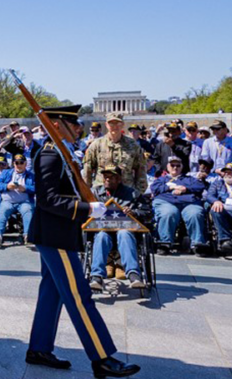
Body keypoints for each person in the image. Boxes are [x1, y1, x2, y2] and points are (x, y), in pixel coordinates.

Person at [24, 106, 139, 377]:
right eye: (72, 123)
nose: (79, 128)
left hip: (58, 233)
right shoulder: (51, 154)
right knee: (79, 295)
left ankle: (39, 348)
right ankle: (102, 357)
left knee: (52, 292)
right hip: (55, 236)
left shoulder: (62, 152)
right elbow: (48, 200)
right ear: (56, 124)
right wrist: (88, 209)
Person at [88, 167, 149, 291]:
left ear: (119, 179)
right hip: (103, 230)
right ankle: (96, 276)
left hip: (126, 231)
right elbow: (84, 211)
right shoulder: (94, 193)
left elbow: (147, 212)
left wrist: (134, 212)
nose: (107, 179)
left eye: (112, 177)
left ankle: (133, 274)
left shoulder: (132, 194)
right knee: (101, 235)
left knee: (124, 233)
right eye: (106, 176)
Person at [150, 156, 209, 254]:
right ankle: (165, 242)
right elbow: (154, 188)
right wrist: (170, 188)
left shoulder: (190, 179)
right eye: (172, 165)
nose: (175, 167)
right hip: (166, 202)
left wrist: (185, 189)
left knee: (195, 213)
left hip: (189, 203)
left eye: (178, 165)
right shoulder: (162, 179)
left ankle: (197, 243)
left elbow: (200, 186)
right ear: (168, 167)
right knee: (169, 213)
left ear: (182, 167)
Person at [82, 113, 147, 195]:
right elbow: (87, 170)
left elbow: (141, 170)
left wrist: (139, 193)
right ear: (106, 125)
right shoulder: (97, 145)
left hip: (127, 192)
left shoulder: (133, 145)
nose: (115, 126)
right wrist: (87, 193)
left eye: (118, 123)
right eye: (111, 123)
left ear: (123, 125)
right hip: (101, 192)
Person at [0, 154, 34, 247]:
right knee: (3, 211)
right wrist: (7, 186)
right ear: (13, 164)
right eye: (16, 163)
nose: (19, 165)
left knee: (28, 210)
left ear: (25, 164)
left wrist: (25, 188)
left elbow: (36, 188)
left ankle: (28, 235)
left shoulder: (31, 175)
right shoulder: (6, 173)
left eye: (21, 163)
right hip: (8, 201)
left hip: (24, 202)